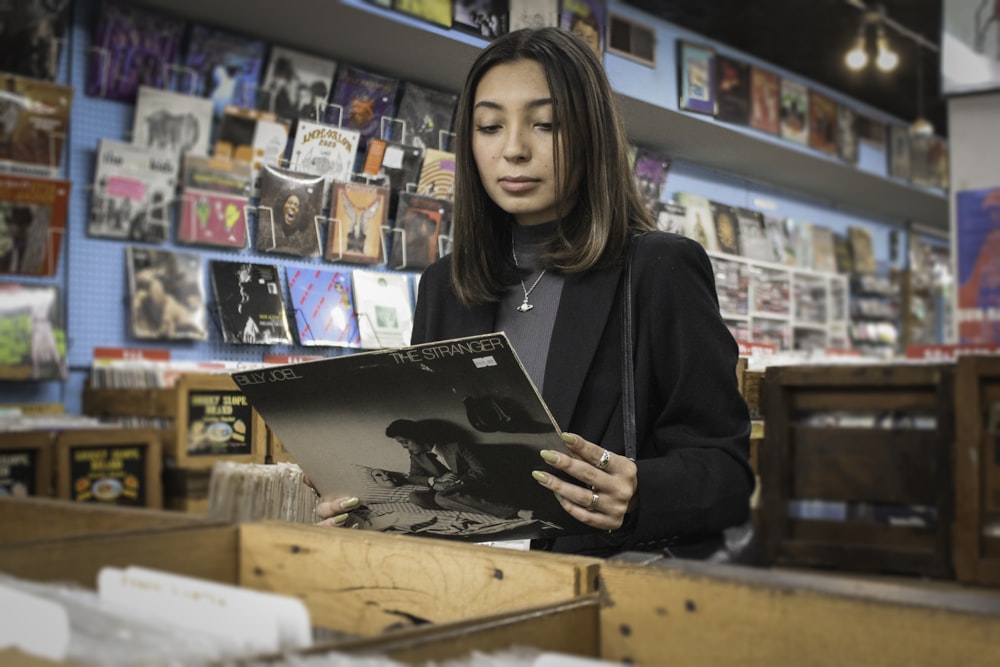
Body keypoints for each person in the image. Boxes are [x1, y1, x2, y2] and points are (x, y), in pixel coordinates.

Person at [316, 27, 753, 558]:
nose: (514, 150)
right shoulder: (444, 286)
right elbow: (436, 453)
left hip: (597, 596)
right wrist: (373, 507)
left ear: (591, 134)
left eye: (545, 125)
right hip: (462, 585)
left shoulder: (658, 268)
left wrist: (640, 494)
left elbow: (728, 473)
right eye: (490, 126)